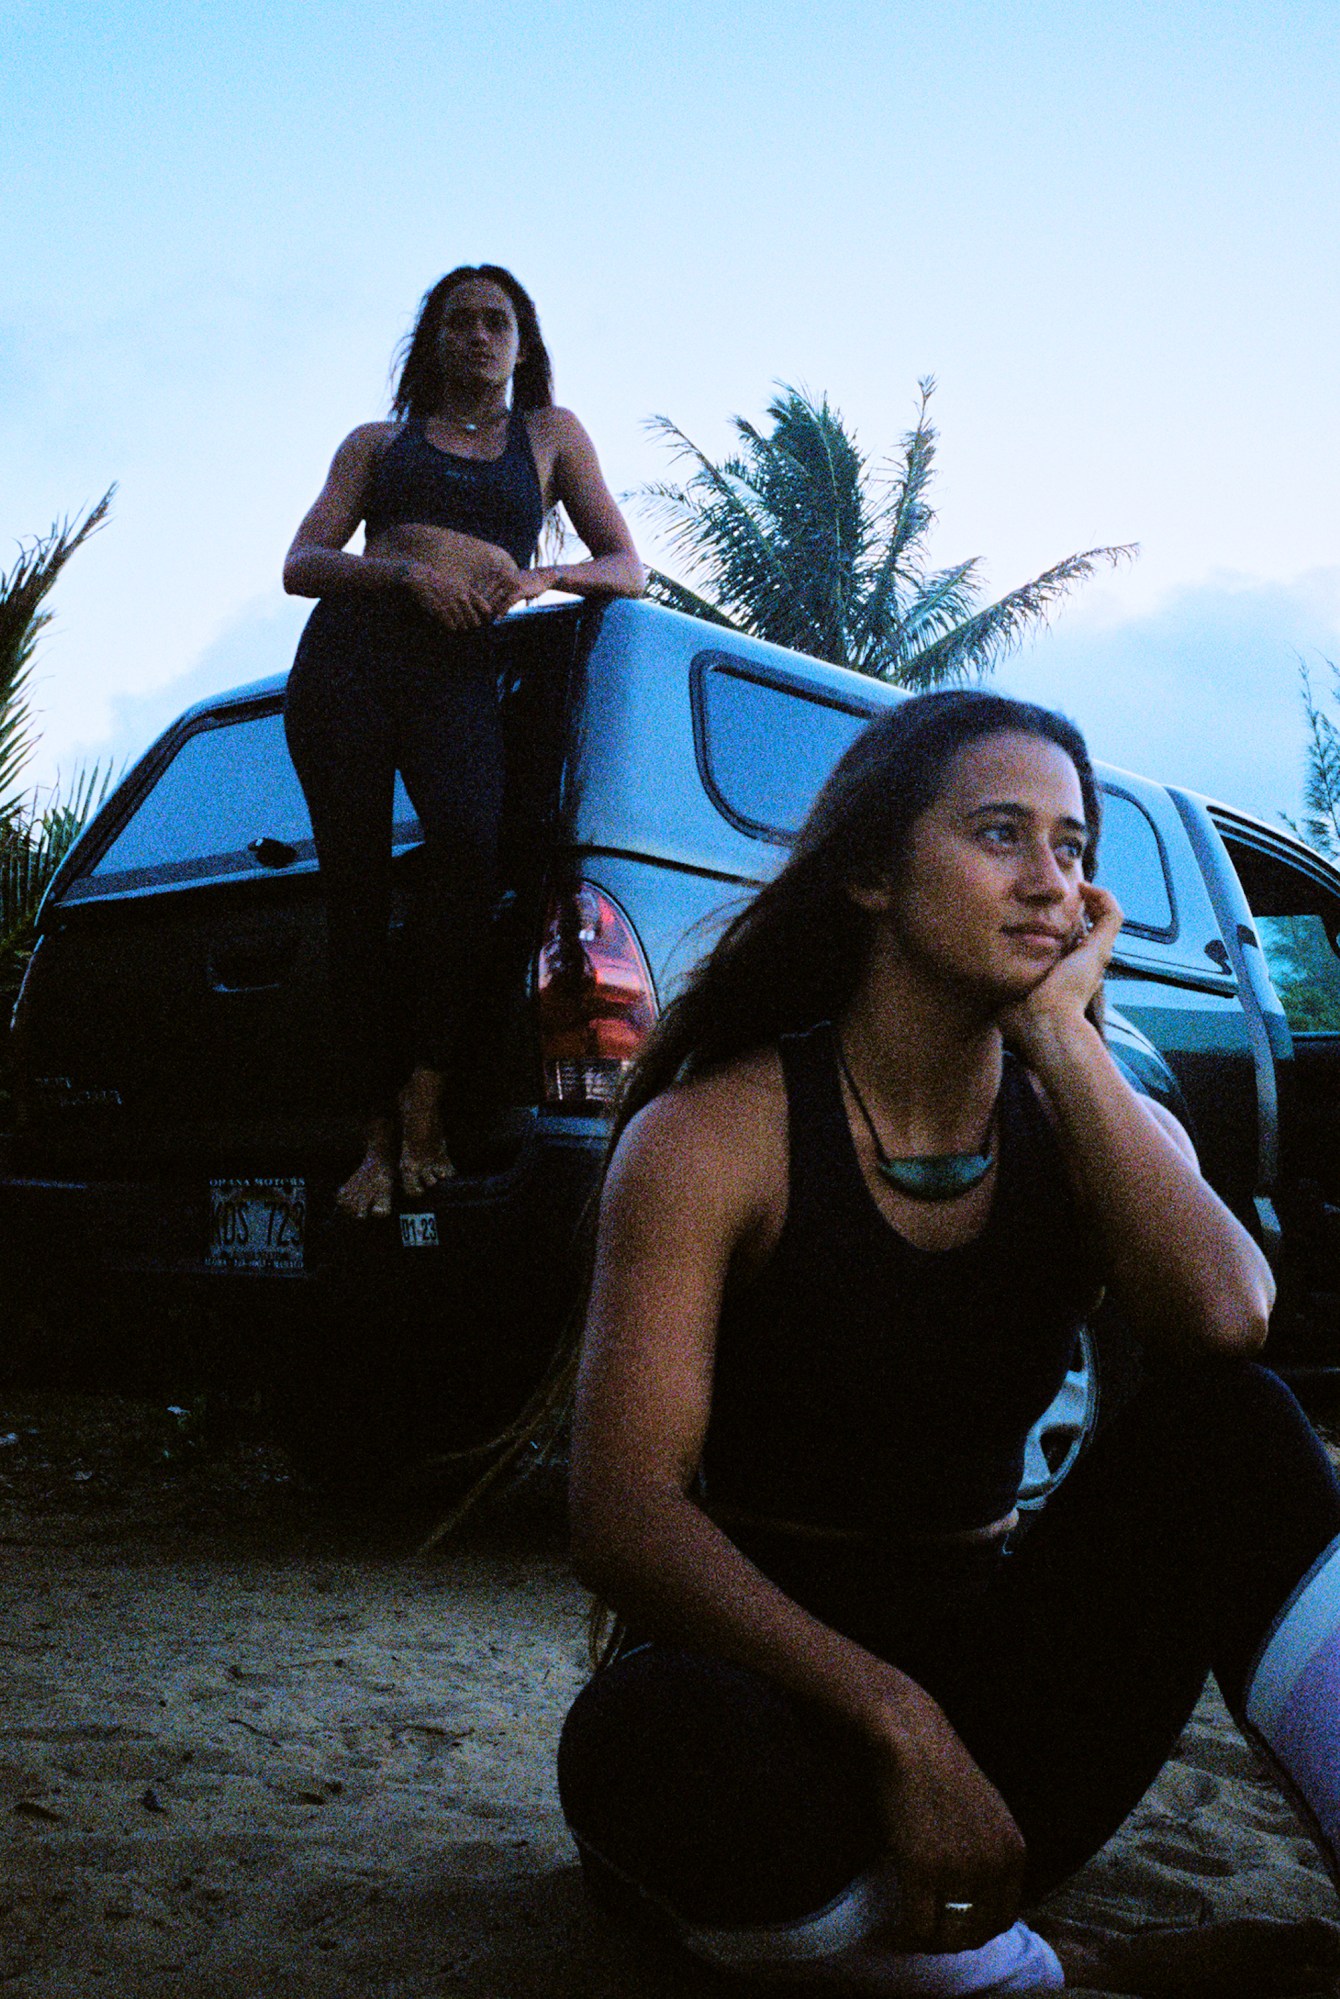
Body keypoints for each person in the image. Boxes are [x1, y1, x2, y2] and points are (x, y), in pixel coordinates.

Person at [557, 690, 1340, 1996]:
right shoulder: (717, 1134)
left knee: (1236, 1426)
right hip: (763, 1712)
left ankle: (984, 1957)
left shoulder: (1093, 1119)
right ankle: (1053, 1972)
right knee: (654, 1735)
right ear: (870, 871)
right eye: (1000, 834)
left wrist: (1054, 1036)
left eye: (1075, 850)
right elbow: (621, 1515)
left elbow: (1226, 1319)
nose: (1051, 880)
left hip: (999, 1729)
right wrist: (897, 1719)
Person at [283, 265, 645, 1218]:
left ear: (522, 345)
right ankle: (376, 1142)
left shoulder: (550, 437)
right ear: (434, 342)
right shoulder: (378, 444)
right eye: (460, 322)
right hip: (348, 668)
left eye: (498, 322)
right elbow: (302, 562)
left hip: (456, 675)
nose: (480, 336)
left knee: (470, 857)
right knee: (354, 894)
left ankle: (426, 1097)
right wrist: (404, 575)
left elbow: (628, 567)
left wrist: (540, 578)